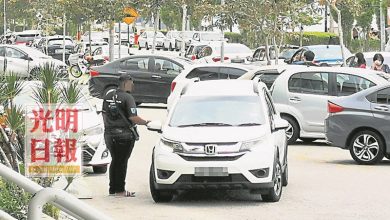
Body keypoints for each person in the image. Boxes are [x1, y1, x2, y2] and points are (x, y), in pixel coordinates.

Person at [102, 73, 151, 197]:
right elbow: (133, 118)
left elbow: (103, 114)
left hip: (109, 134)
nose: (133, 85)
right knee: (122, 162)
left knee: (115, 161)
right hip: (124, 136)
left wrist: (109, 127)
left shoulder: (108, 95)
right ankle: (120, 190)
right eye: (131, 82)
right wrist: (146, 122)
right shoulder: (128, 98)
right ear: (126, 83)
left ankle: (112, 189)